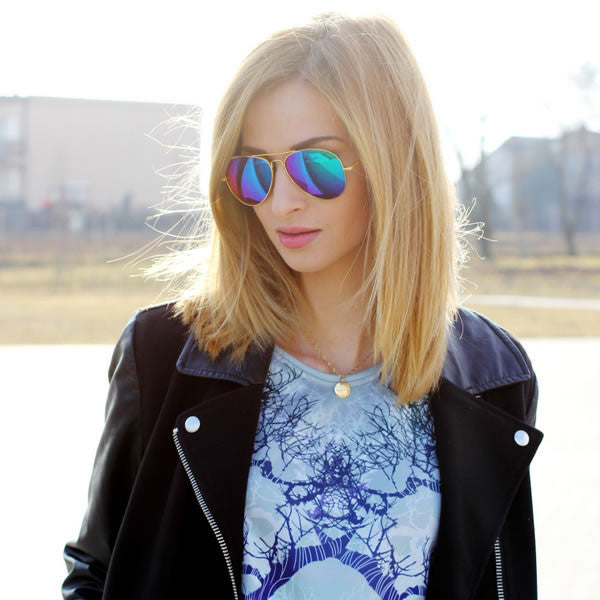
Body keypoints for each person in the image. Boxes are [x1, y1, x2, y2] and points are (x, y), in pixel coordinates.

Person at [62, 13, 543, 600]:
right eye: (254, 170)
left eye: (315, 165)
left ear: (393, 163)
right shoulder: (162, 356)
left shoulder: (495, 376)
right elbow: (96, 572)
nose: (281, 202)